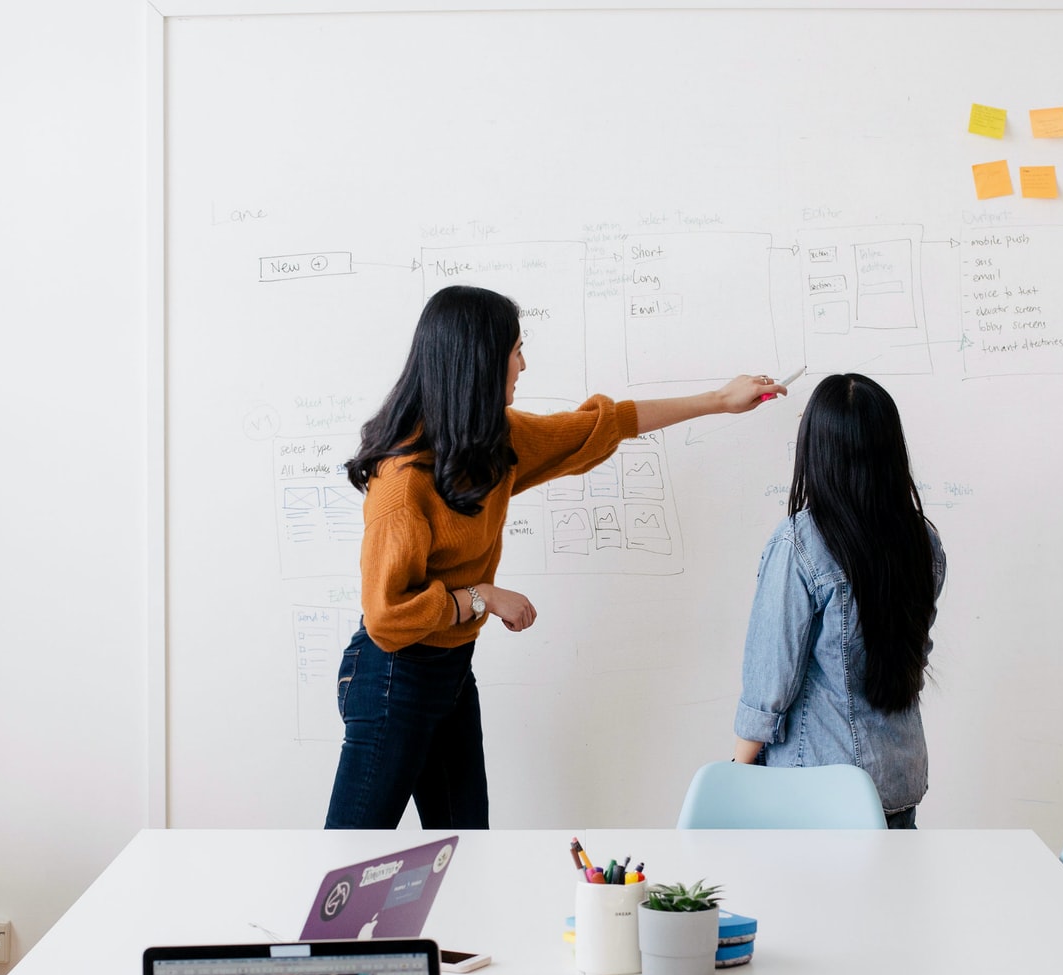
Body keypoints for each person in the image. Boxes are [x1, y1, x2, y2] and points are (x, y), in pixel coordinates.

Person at [326, 285, 784, 829]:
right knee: (351, 862)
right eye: (515, 350)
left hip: (449, 672)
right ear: (479, 361)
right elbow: (386, 618)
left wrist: (718, 400)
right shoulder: (401, 485)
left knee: (467, 851)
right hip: (390, 677)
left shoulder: (491, 443)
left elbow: (602, 425)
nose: (523, 363)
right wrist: (481, 597)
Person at [731, 373, 944, 829]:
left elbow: (771, 682)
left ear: (818, 448)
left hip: (818, 787)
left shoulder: (800, 543)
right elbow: (913, 654)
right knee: (888, 901)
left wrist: (736, 772)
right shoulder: (921, 539)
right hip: (897, 780)